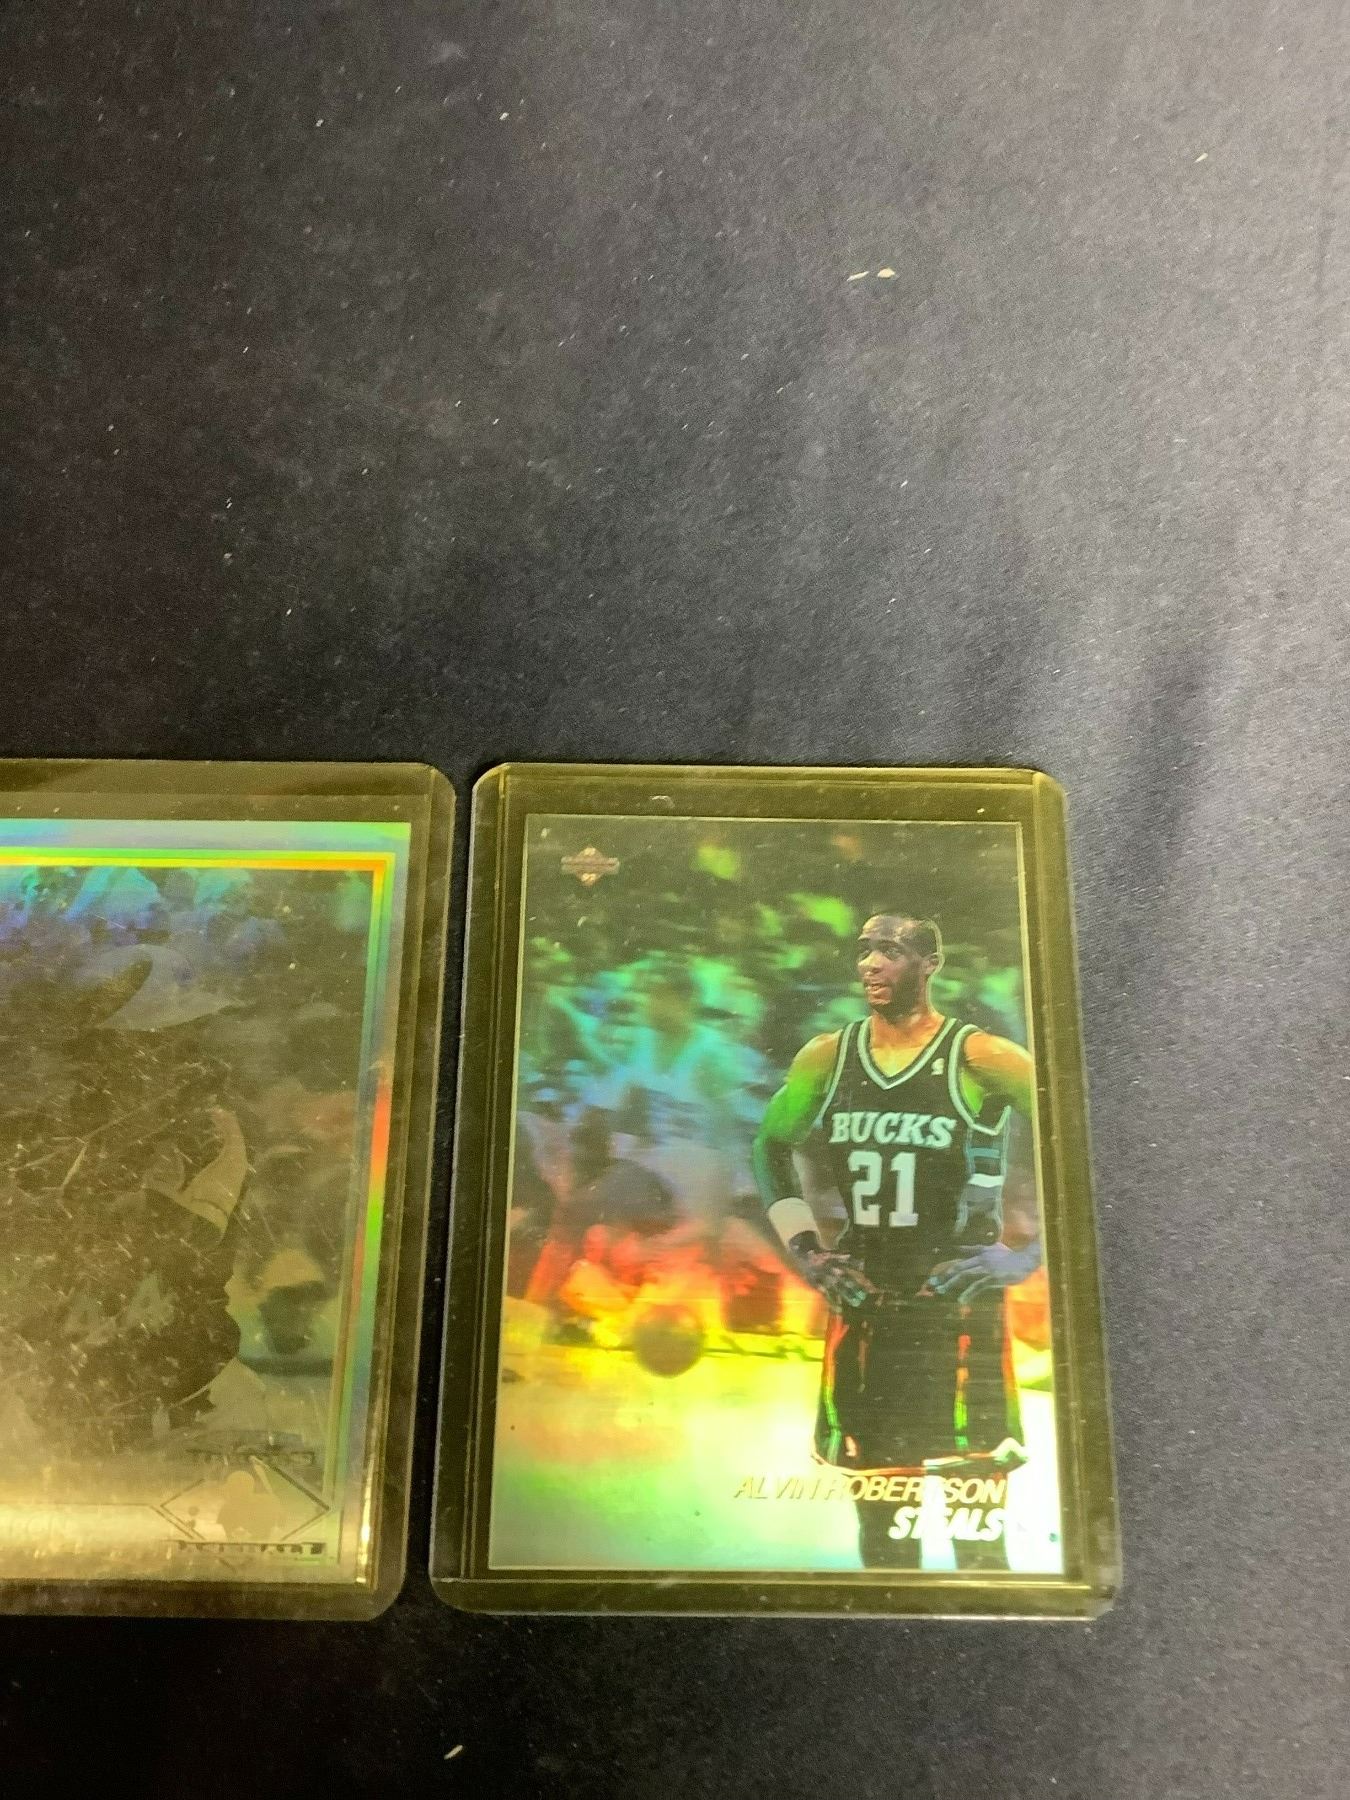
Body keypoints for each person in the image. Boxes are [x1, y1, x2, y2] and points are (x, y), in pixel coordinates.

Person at [753, 912, 1039, 1571]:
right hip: (866, 1302)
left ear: (930, 964)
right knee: (884, 1536)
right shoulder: (828, 1055)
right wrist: (807, 1251)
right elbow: (769, 1146)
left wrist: (1028, 1255)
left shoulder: (984, 1056)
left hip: (954, 1306)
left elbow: (1076, 1134)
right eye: (865, 950)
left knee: (978, 1536)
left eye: (890, 950)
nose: (870, 963)